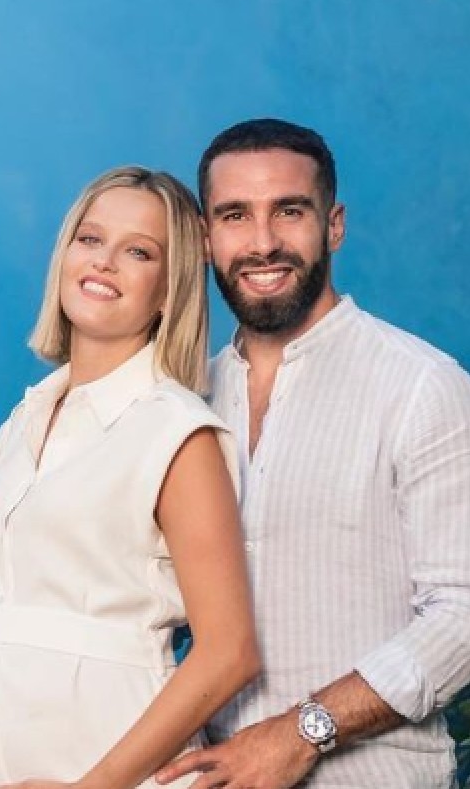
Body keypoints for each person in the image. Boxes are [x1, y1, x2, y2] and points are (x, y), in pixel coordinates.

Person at [155, 118, 470, 788]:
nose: (262, 242)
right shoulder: (185, 401)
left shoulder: (420, 384)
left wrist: (303, 730)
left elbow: (462, 614)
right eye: (235, 215)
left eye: (289, 211)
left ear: (333, 225)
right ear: (205, 238)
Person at [0, 166, 260, 789]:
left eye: (138, 252)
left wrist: (94, 787)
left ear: (168, 291)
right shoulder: (23, 421)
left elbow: (229, 651)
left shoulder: (177, 431)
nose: (104, 262)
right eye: (91, 239)